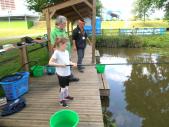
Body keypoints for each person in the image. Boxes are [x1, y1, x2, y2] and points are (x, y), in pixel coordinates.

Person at [48, 37, 76, 107]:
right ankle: (61, 100)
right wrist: (60, 65)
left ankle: (66, 96)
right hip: (61, 74)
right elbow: (50, 63)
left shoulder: (66, 52)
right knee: (62, 88)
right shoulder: (56, 53)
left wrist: (72, 63)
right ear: (60, 44)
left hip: (67, 73)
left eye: (67, 44)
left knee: (66, 86)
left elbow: (67, 61)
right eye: (65, 44)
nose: (66, 46)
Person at [50, 15, 79, 81]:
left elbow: (66, 40)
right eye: (64, 23)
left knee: (69, 65)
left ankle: (69, 77)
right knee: (62, 67)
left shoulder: (63, 30)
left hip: (67, 52)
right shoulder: (53, 32)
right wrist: (58, 55)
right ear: (60, 23)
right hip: (61, 54)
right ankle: (64, 79)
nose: (65, 25)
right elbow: (53, 46)